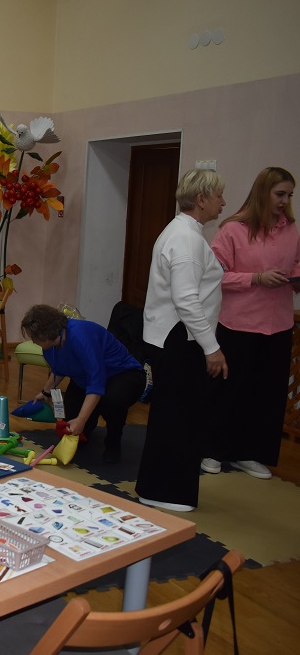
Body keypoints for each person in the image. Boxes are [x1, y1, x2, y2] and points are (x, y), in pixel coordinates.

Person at [136, 168, 227, 512]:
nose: (223, 202)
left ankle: (159, 488)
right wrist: (212, 347)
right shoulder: (186, 238)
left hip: (175, 336)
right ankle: (165, 492)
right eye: (218, 195)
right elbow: (186, 299)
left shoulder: (183, 232)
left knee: (175, 416)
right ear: (201, 199)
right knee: (178, 417)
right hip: (180, 338)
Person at [204, 167, 299, 480]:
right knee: (229, 390)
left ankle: (250, 453)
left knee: (267, 393)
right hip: (239, 324)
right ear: (262, 192)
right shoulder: (233, 229)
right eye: (279, 194)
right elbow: (214, 275)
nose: (284, 201)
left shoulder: (291, 230)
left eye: (289, 195)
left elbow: (296, 264)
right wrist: (255, 278)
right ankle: (213, 450)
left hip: (279, 324)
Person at [21, 305, 144, 463]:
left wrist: (81, 419)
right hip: (85, 377)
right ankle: (85, 434)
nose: (32, 341)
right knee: (72, 415)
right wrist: (45, 392)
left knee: (111, 401)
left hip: (122, 374)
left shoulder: (79, 337)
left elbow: (96, 382)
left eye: (33, 337)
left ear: (46, 334)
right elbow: (60, 368)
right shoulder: (51, 345)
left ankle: (113, 441)